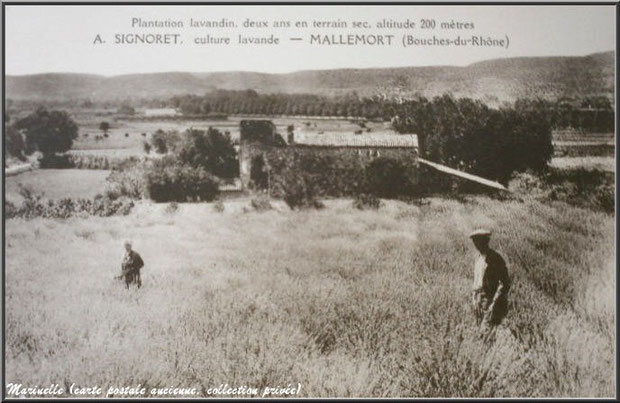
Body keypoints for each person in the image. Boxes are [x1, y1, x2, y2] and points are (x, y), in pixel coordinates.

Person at [470, 229, 511, 327]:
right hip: (478, 300)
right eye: (474, 241)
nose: (476, 244)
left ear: (486, 241)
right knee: (478, 328)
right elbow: (476, 282)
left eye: (479, 241)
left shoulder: (495, 258)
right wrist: (474, 299)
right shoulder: (478, 259)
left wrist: (494, 303)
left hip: (490, 300)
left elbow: (504, 283)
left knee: (487, 330)